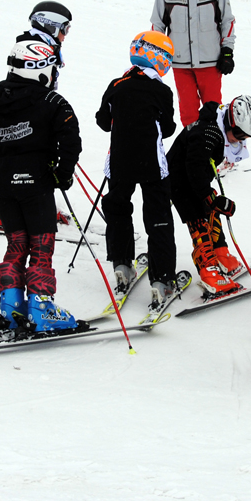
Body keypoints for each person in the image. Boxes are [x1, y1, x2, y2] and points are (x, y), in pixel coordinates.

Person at [0, 38, 83, 332]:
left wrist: (2, 143)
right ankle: (41, 308)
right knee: (41, 246)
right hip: (35, 185)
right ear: (39, 68)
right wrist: (63, 174)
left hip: (3, 184)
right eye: (52, 69)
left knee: (17, 242)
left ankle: (11, 304)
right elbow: (71, 136)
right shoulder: (51, 101)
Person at [96, 31, 178, 307]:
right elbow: (167, 128)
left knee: (118, 209)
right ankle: (162, 278)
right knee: (158, 217)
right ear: (158, 58)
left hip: (119, 162)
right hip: (153, 164)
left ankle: (121, 265)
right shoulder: (161, 90)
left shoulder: (117, 84)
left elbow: (102, 121)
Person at [165, 94, 251, 295]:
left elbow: (200, 172)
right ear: (230, 122)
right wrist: (210, 198)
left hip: (193, 179)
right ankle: (209, 271)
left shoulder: (216, 127)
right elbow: (194, 168)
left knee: (210, 209)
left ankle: (221, 255)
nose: (240, 140)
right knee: (198, 218)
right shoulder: (208, 132)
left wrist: (212, 199)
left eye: (245, 137)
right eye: (239, 134)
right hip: (178, 181)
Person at [151, 0, 236, 127]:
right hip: (180, 64)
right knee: (188, 112)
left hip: (211, 62)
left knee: (214, 111)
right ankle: (191, 149)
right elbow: (157, 26)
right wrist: (157, 55)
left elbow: (227, 22)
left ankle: (215, 150)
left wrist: (227, 51)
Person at [16, 1, 72, 89]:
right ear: (53, 27)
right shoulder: (34, 48)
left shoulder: (47, 46)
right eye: (65, 29)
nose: (65, 35)